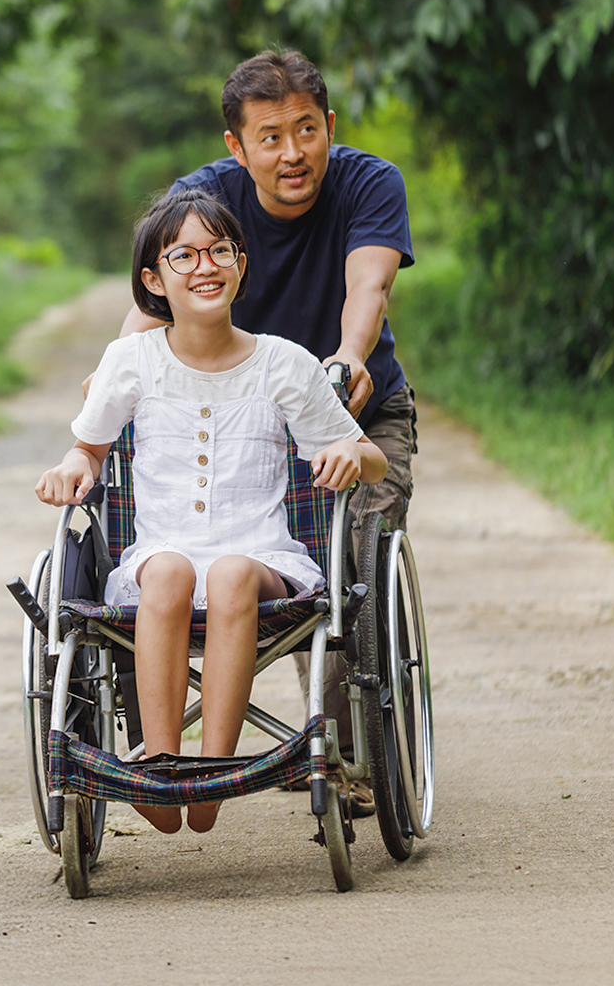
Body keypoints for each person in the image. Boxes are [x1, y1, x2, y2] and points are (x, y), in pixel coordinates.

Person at [104, 50, 417, 811]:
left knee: (353, 568)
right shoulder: (203, 206)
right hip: (232, 414)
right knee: (148, 555)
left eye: (307, 131)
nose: (292, 153)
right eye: (270, 137)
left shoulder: (367, 182)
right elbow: (150, 316)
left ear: (329, 128)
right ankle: (149, 733)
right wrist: (114, 377)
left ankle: (344, 758)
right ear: (235, 148)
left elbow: (367, 282)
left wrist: (345, 355)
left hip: (348, 417)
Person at [37, 189, 388, 835]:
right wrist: (72, 469)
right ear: (153, 278)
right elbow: (88, 451)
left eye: (220, 250)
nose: (206, 265)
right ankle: (161, 766)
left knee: (228, 570)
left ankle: (213, 776)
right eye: (185, 254)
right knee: (169, 569)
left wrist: (346, 452)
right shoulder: (130, 361)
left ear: (240, 264)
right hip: (157, 558)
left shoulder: (283, 362)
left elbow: (372, 460)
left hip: (260, 557)